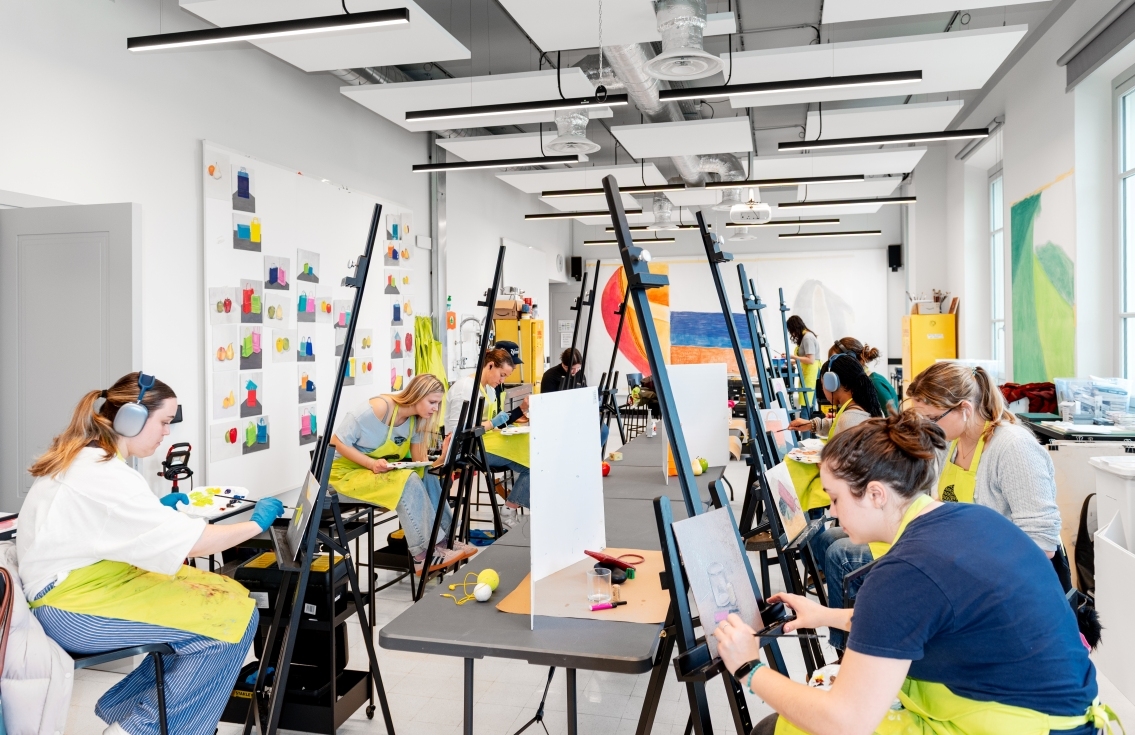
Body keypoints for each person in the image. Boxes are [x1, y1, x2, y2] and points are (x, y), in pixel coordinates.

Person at [712, 412, 1116, 735]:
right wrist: (824, 615)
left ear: (875, 494)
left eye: (835, 498)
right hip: (1065, 718)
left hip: (1021, 724)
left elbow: (845, 721)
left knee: (777, 728)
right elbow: (919, 619)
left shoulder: (905, 571)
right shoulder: (969, 519)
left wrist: (750, 668)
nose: (832, 511)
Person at [19, 372, 285, 735]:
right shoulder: (104, 473)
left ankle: (136, 717)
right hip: (72, 610)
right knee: (232, 622)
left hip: (74, 589)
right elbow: (196, 544)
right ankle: (138, 728)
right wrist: (256, 524)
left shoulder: (88, 459)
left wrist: (157, 512)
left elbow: (100, 526)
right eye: (164, 421)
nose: (167, 432)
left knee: (230, 597)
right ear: (132, 419)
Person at [330, 374, 474, 574]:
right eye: (432, 402)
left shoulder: (417, 421)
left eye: (438, 404)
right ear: (417, 395)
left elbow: (421, 465)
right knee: (409, 479)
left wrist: (443, 457)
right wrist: (371, 463)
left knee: (427, 474)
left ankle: (445, 540)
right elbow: (336, 442)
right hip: (343, 476)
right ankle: (423, 555)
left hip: (372, 473)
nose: (435, 409)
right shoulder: (378, 408)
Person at [445, 349, 531, 508]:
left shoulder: (489, 390)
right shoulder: (465, 388)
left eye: (506, 377)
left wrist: (504, 425)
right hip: (466, 448)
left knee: (534, 461)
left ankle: (510, 508)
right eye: (502, 375)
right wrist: (492, 424)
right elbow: (458, 432)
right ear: (490, 365)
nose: (502, 380)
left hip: (483, 442)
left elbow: (491, 423)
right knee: (529, 449)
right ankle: (510, 509)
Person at [788, 353, 883, 439]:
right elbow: (837, 425)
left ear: (831, 384)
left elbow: (844, 426)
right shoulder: (861, 409)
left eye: (822, 384)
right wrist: (813, 424)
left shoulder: (847, 421)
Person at [830, 337, 898, 415]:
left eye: (837, 363)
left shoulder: (875, 383)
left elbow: (893, 419)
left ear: (852, 359)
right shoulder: (858, 385)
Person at [786, 316, 820, 409]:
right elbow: (805, 358)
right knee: (809, 402)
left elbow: (810, 360)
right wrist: (792, 362)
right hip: (807, 371)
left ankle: (806, 417)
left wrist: (792, 356)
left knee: (807, 402)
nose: (792, 334)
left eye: (791, 331)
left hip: (811, 372)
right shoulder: (805, 337)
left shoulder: (808, 338)